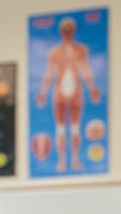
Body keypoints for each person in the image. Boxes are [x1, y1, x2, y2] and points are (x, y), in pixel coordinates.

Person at [35, 16, 101, 173]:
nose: (67, 33)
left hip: (76, 91)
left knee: (75, 128)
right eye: (65, 30)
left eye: (69, 30)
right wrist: (43, 93)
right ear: (61, 32)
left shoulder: (81, 50)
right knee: (60, 128)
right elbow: (49, 74)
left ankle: (75, 159)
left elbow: (85, 70)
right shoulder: (55, 52)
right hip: (59, 91)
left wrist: (92, 89)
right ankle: (62, 161)